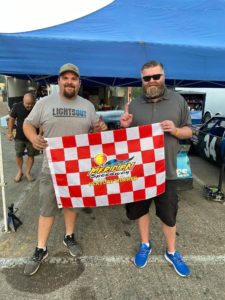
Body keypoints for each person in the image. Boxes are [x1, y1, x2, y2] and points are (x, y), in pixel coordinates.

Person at [23, 63, 107, 276]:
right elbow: (27, 124)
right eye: (65, 78)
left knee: (72, 205)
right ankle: (40, 248)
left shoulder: (88, 106)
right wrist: (33, 138)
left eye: (73, 78)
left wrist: (100, 128)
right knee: (47, 208)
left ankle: (69, 236)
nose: (69, 82)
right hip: (51, 167)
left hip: (78, 168)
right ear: (59, 81)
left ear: (79, 83)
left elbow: (95, 134)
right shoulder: (44, 103)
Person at [120, 60, 192, 277]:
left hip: (166, 173)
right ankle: (145, 244)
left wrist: (177, 131)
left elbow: (190, 131)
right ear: (141, 80)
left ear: (164, 76)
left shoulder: (178, 101)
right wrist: (124, 127)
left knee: (169, 216)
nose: (151, 81)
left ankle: (172, 251)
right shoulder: (133, 105)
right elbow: (125, 142)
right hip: (139, 173)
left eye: (156, 76)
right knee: (140, 211)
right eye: (147, 78)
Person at [7, 93, 38, 182]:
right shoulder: (17, 106)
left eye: (31, 103)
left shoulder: (37, 107)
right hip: (19, 136)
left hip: (33, 137)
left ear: (34, 101)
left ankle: (28, 172)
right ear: (23, 101)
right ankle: (20, 171)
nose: (29, 106)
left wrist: (41, 134)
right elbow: (11, 119)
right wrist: (9, 132)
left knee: (31, 155)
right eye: (27, 104)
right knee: (18, 154)